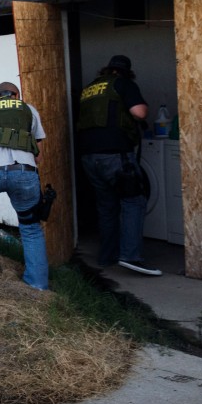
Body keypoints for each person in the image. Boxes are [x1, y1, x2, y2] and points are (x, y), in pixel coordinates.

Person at [76, 55, 162, 276]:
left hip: (88, 157)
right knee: (134, 201)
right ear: (126, 71)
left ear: (107, 69)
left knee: (107, 205)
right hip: (115, 156)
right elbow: (139, 112)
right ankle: (131, 256)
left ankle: (107, 256)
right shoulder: (123, 83)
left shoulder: (89, 89)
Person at [0, 81, 49, 291]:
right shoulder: (28, 109)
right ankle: (38, 285)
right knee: (31, 228)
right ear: (17, 96)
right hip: (23, 172)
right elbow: (38, 154)